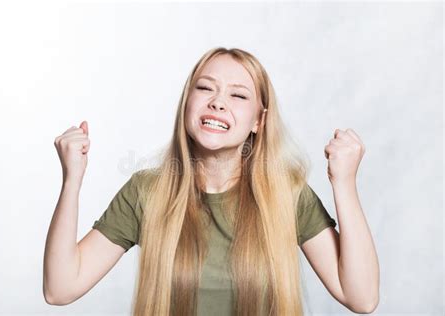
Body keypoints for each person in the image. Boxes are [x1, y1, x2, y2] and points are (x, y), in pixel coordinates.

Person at [44, 47, 379, 316]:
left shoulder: (286, 193)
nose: (217, 101)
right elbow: (60, 289)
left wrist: (344, 183)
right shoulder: (147, 192)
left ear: (258, 121)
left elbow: (361, 298)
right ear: (187, 103)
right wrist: (71, 180)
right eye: (205, 88)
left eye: (238, 95)